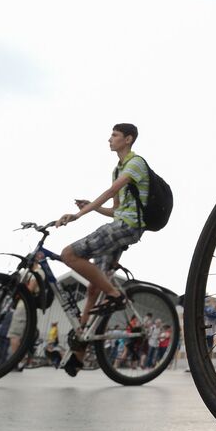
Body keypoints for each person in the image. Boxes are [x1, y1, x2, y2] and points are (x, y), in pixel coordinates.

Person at [54, 123, 153, 377]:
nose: (110, 139)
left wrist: (78, 215)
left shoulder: (135, 163)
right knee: (92, 288)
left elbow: (111, 193)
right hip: (121, 222)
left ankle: (115, 295)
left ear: (128, 139)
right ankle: (78, 352)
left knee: (69, 254)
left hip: (127, 227)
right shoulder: (117, 168)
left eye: (115, 135)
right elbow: (115, 208)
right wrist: (92, 207)